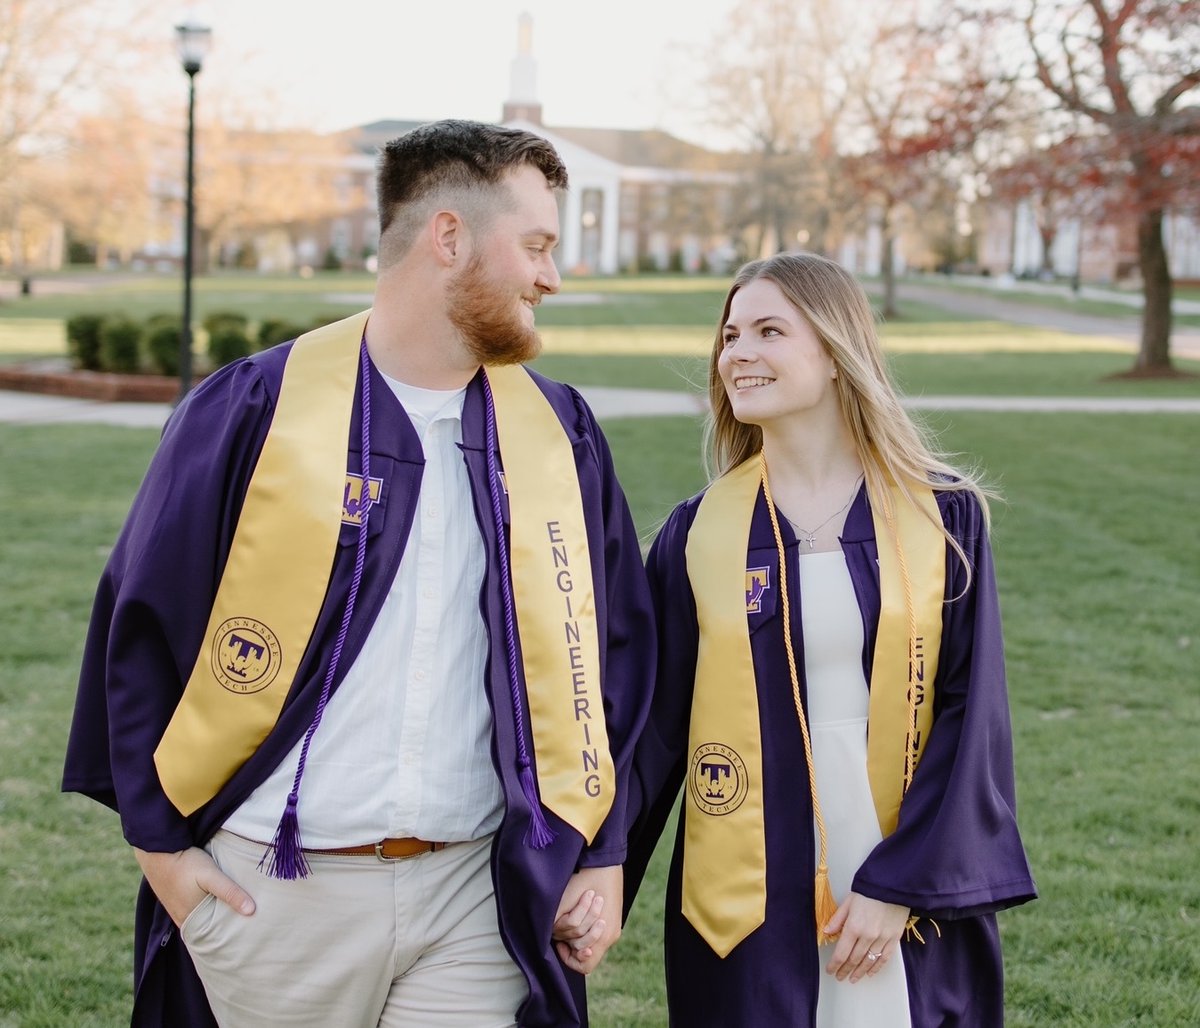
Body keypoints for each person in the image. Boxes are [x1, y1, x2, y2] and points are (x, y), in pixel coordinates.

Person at [63, 119, 655, 1028]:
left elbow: (607, 659)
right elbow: (140, 630)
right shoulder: (258, 408)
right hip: (281, 892)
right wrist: (163, 854)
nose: (553, 276)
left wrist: (603, 852)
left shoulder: (558, 434)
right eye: (535, 245)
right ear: (448, 237)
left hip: (474, 892)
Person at [625, 253, 1037, 1026]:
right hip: (756, 859)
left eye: (769, 331)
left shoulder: (941, 516)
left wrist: (898, 883)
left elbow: (969, 713)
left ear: (837, 351)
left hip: (897, 842)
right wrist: (591, 868)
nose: (738, 352)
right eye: (730, 334)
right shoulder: (700, 531)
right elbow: (651, 732)